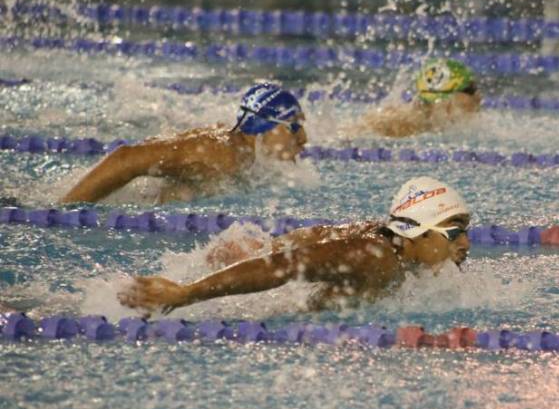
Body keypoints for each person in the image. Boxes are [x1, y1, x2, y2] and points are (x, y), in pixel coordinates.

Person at [118, 176, 471, 314]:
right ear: (418, 232)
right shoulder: (374, 257)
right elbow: (285, 266)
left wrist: (263, 246)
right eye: (454, 232)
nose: (466, 243)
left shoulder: (387, 241)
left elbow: (317, 235)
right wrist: (188, 293)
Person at [59, 82, 307, 204]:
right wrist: (67, 209)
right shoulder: (219, 155)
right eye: (293, 126)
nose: (303, 138)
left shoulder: (245, 156)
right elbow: (127, 158)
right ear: (263, 125)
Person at [362, 58, 481, 138]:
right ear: (446, 97)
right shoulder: (401, 124)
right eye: (470, 89)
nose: (478, 96)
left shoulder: (430, 126)